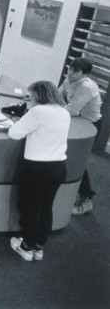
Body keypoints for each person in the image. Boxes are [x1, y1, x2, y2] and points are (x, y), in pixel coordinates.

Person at [7, 81, 70, 262]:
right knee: (45, 207)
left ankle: (26, 247)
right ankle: (38, 247)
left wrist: (23, 120)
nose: (31, 99)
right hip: (58, 167)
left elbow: (14, 133)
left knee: (31, 208)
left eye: (32, 95)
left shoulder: (38, 111)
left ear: (38, 95)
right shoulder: (64, 112)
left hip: (37, 168)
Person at [57, 58, 102, 216]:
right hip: (75, 121)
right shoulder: (69, 79)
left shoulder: (87, 87)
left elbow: (72, 110)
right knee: (66, 155)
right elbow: (57, 95)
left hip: (88, 125)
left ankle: (86, 199)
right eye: (70, 68)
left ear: (86, 74)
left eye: (75, 71)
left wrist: (61, 104)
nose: (70, 72)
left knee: (77, 159)